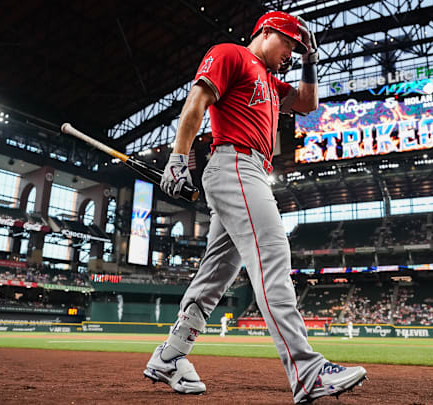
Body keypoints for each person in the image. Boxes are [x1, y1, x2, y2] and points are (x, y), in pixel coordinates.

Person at [144, 11, 367, 403]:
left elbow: (308, 103)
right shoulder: (231, 54)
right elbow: (196, 101)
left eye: (298, 52)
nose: (292, 55)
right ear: (267, 32)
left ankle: (170, 355)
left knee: (216, 276)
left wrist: (312, 61)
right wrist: (179, 158)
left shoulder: (269, 79)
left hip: (249, 171)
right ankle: (307, 371)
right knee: (273, 254)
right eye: (290, 46)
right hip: (234, 163)